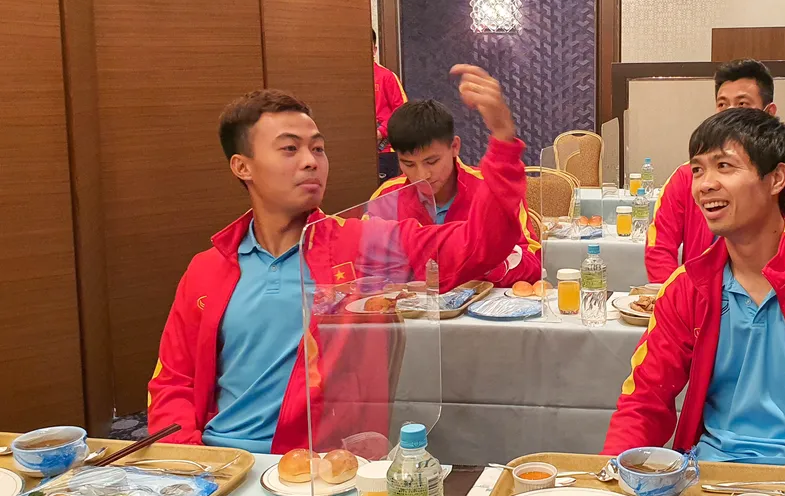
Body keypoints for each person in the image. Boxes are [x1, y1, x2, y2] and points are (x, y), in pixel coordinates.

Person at [147, 65, 528, 453]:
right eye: (290, 148)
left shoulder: (359, 245)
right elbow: (173, 382)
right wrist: (188, 458)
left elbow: (479, 245)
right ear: (242, 167)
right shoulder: (207, 269)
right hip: (218, 458)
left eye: (317, 148)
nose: (311, 161)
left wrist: (502, 140)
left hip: (316, 464)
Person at [604, 108, 785, 479]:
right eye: (697, 169)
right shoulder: (687, 287)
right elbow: (643, 400)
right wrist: (613, 476)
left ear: (776, 178)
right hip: (710, 478)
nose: (704, 185)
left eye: (724, 166)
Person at [645, 59, 785, 282]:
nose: (729, 114)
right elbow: (659, 247)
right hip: (701, 293)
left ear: (769, 113)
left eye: (742, 104)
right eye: (722, 105)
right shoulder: (687, 178)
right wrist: (676, 295)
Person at [369, 99, 541, 287]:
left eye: (431, 161)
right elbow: (366, 265)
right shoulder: (386, 197)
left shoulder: (492, 189)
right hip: (412, 304)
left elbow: (534, 263)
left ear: (455, 147)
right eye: (408, 164)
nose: (422, 175)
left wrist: (483, 259)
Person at [373, 29, 408, 184]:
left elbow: (402, 111)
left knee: (385, 194)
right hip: (357, 150)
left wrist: (381, 132)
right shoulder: (349, 79)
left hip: (385, 150)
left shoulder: (386, 77)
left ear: (374, 50)